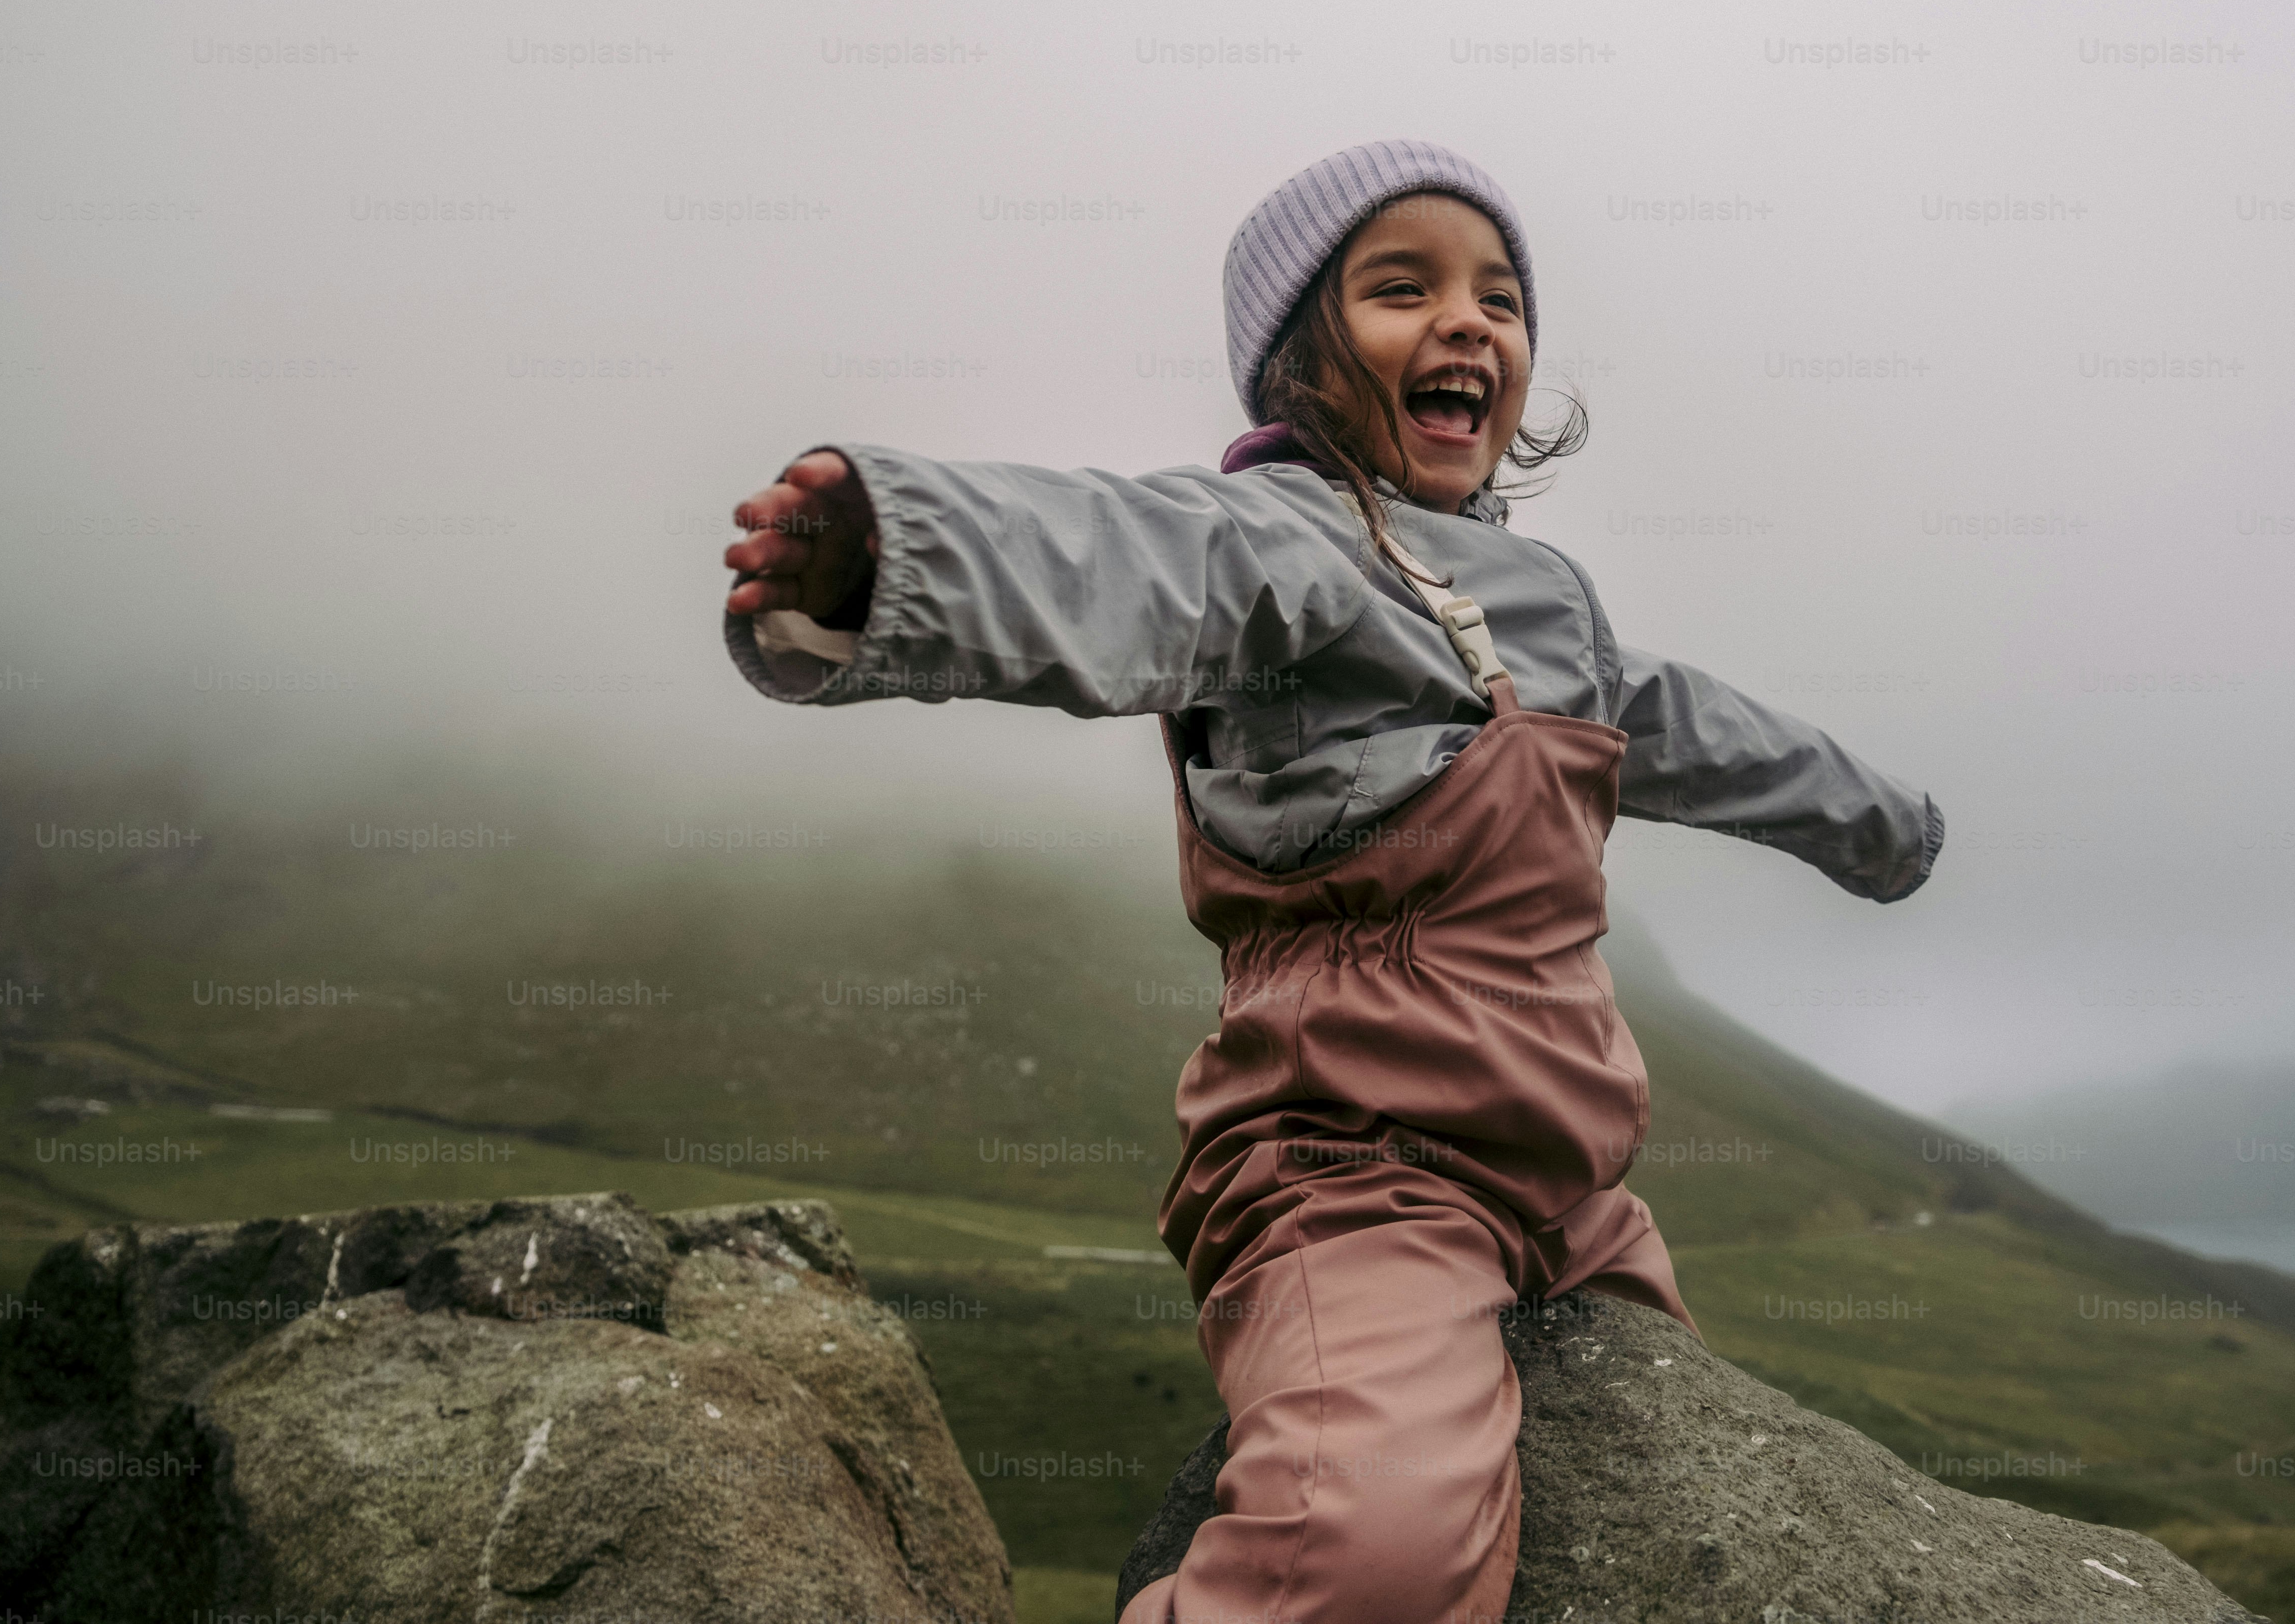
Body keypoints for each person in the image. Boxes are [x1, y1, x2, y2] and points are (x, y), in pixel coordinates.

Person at [720, 139, 1942, 1624]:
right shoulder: (1281, 541)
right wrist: (892, 554)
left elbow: (1707, 732)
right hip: (1359, 1181)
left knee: (1701, 1524)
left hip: (1578, 1202)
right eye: (1401, 286)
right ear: (1301, 355)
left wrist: (1887, 828)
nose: (1469, 322)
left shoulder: (1552, 608)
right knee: (1368, 1557)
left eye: (1500, 296)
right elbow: (1122, 557)